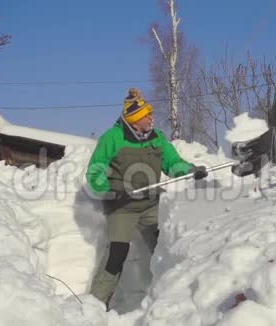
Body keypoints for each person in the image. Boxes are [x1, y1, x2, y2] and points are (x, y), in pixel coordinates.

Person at [85, 88, 208, 309]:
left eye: (150, 113)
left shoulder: (157, 138)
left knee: (166, 249)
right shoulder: (112, 138)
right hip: (122, 206)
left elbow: (172, 163)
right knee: (116, 255)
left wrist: (189, 170)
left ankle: (175, 304)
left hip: (151, 205)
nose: (151, 117)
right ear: (135, 119)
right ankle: (94, 306)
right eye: (146, 114)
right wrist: (112, 190)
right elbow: (95, 173)